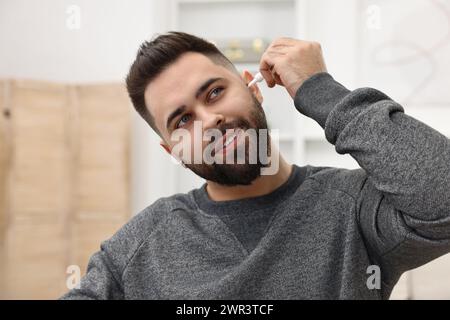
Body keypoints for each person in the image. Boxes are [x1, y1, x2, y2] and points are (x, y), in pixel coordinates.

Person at [60, 32, 450, 299]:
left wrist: (318, 89)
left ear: (251, 88)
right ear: (172, 150)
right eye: (183, 121)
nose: (209, 120)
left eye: (214, 93)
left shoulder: (352, 208)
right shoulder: (139, 247)